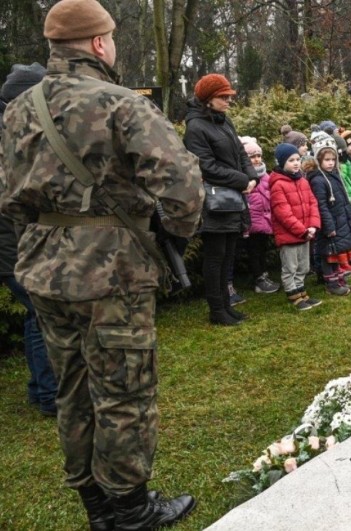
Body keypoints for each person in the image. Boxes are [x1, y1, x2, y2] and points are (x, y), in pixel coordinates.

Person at [0, 0, 202, 527]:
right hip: (112, 273)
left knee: (73, 391)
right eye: (109, 38)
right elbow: (182, 187)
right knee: (124, 392)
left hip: (43, 269)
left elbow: (9, 195)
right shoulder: (121, 104)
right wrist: (173, 239)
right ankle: (130, 511)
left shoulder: (19, 108)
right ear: (98, 44)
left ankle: (96, 507)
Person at [0, 62, 59, 418]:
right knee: (43, 314)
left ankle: (41, 389)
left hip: (14, 241)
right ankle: (50, 394)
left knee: (35, 316)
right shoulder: (11, 131)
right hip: (13, 242)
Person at [184, 73, 258, 325]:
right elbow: (205, 166)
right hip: (215, 203)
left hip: (234, 198)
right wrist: (241, 180)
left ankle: (227, 306)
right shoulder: (195, 127)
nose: (228, 101)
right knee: (215, 257)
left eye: (229, 96)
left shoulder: (224, 121)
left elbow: (240, 152)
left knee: (228, 254)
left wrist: (251, 177)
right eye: (223, 97)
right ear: (208, 100)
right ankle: (217, 310)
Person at [268, 143, 322, 310]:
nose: (296, 163)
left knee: (304, 266)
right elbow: (283, 213)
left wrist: (313, 225)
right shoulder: (278, 185)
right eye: (291, 160)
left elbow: (312, 202)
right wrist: (302, 230)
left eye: (298, 159)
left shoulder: (303, 181)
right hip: (291, 235)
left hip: (306, 233)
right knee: (290, 267)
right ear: (282, 162)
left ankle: (301, 290)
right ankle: (293, 293)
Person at [306, 132, 351, 294]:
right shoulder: (317, 180)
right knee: (329, 253)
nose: (330, 163)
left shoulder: (335, 175)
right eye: (326, 160)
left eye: (332, 160)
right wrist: (329, 226)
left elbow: (345, 197)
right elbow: (321, 206)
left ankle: (338, 278)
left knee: (337, 251)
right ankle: (331, 283)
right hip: (330, 224)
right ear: (319, 160)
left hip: (340, 220)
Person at [240, 137, 281, 294]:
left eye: (258, 156)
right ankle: (258, 279)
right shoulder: (245, 176)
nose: (256, 160)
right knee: (254, 251)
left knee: (261, 249)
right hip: (252, 221)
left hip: (265, 219)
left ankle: (264, 275)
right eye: (252, 157)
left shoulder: (266, 176)